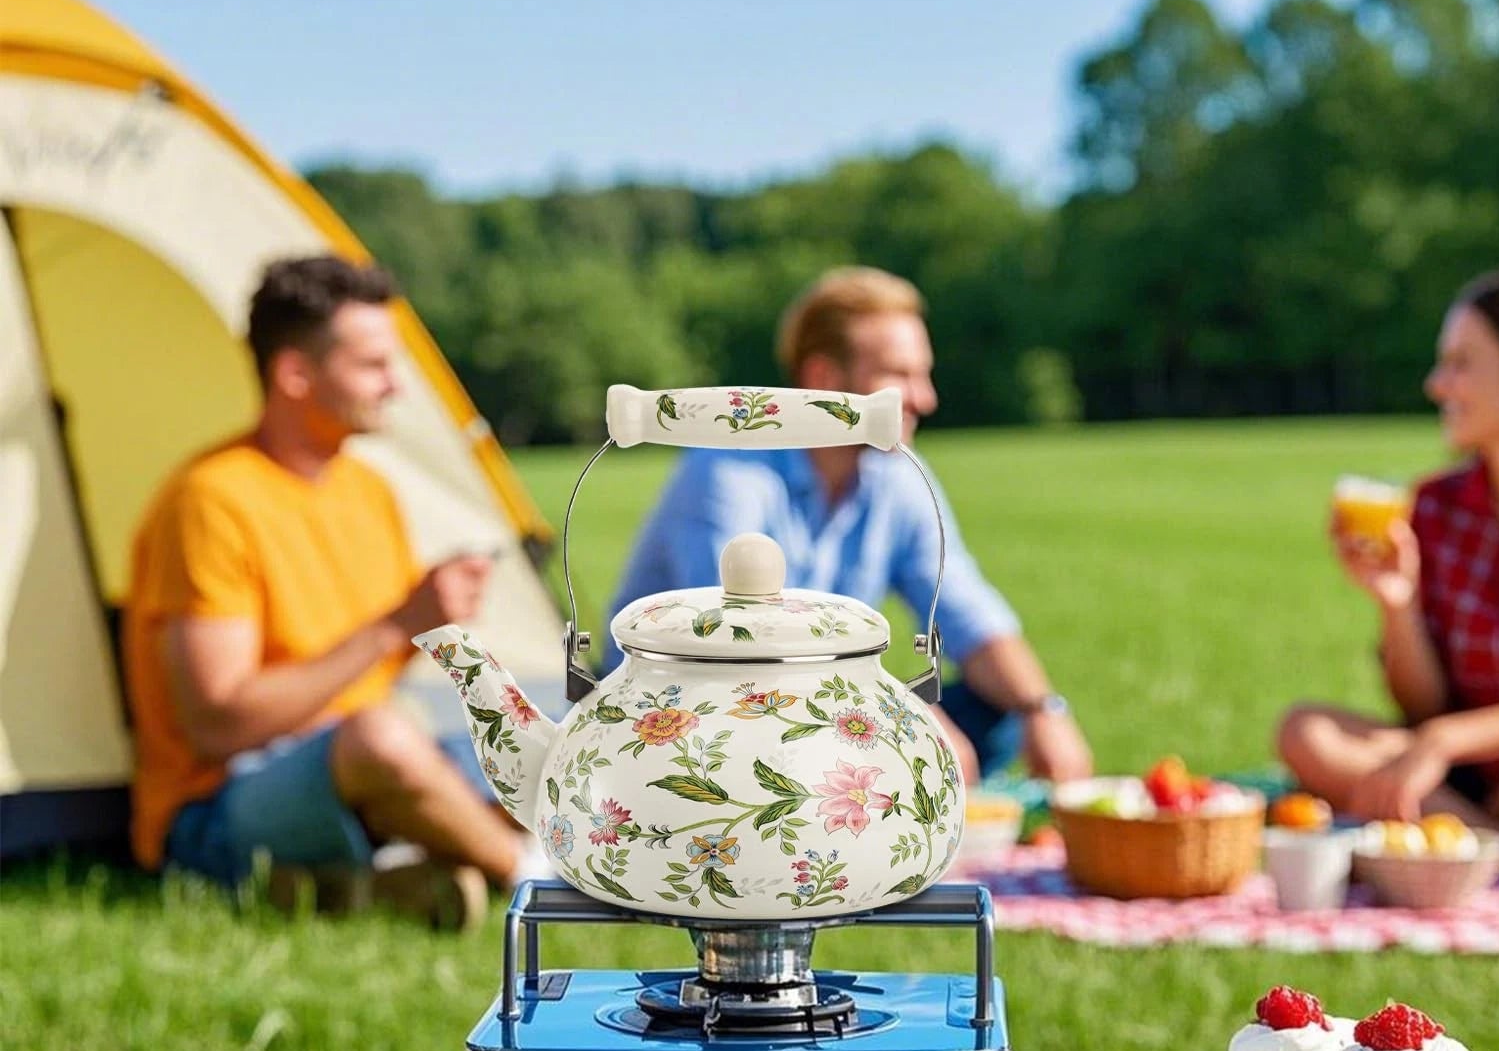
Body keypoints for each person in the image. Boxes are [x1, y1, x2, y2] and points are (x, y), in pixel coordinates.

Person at [122, 255, 538, 924]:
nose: (395, 386)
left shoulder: (367, 491)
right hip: (219, 799)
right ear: (295, 374)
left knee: (540, 740)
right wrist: (398, 623)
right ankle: (532, 876)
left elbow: (368, 672)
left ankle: (383, 878)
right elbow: (218, 725)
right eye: (373, 365)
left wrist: (434, 621)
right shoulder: (212, 500)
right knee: (381, 739)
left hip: (351, 762)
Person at [606, 267, 1093, 785]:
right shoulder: (727, 471)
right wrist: (908, 725)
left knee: (1003, 712)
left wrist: (1043, 709)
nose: (925, 399)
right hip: (686, 713)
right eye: (898, 376)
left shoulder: (898, 475)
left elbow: (968, 613)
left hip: (818, 698)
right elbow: (739, 645)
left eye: (923, 374)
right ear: (824, 379)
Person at [1279, 266, 1499, 868]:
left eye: (1460, 364)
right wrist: (1397, 604)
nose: (1436, 384)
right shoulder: (1434, 506)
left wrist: (1448, 739)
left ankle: (1468, 837)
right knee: (1305, 730)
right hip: (1457, 779)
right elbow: (1423, 708)